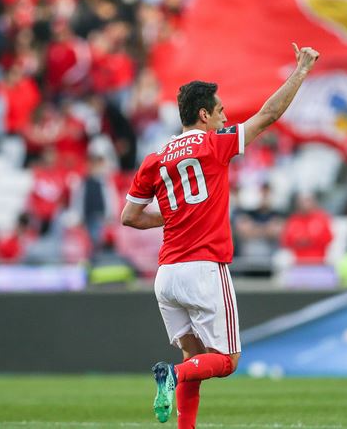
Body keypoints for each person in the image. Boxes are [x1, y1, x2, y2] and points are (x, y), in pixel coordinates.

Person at [121, 43, 319, 427]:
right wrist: (300, 72)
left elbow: (130, 216)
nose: (224, 117)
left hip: (167, 276)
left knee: (193, 360)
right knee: (225, 362)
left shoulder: (156, 158)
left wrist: (175, 215)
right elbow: (270, 114)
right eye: (221, 111)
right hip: (203, 268)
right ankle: (171, 376)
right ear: (204, 114)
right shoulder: (215, 144)